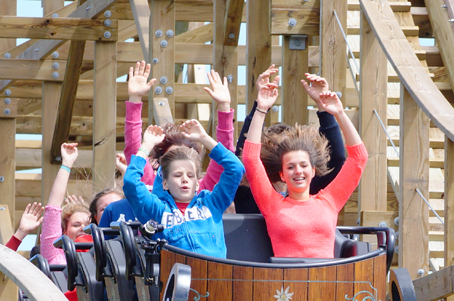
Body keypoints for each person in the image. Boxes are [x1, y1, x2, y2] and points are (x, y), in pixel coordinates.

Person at [243, 73, 368, 259]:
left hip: (324, 280)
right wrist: (261, 108)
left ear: (313, 171)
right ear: (282, 175)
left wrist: (339, 113)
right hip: (287, 284)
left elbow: (359, 158)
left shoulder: (329, 201)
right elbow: (251, 159)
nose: (298, 171)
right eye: (291, 167)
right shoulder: (272, 204)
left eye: (303, 165)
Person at [101, 64, 237, 226]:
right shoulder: (151, 187)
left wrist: (224, 107)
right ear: (161, 167)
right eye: (173, 159)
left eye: (186, 158)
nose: (183, 175)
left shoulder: (201, 190)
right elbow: (134, 149)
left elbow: (226, 161)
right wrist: (135, 99)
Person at [234, 66, 348, 213]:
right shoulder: (251, 189)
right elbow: (244, 158)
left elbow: (336, 161)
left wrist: (324, 108)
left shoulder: (307, 187)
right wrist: (260, 107)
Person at [123, 120, 244, 257]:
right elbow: (130, 182)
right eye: (177, 175)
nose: (185, 179)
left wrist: (204, 139)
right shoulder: (157, 210)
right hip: (177, 275)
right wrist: (146, 146)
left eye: (190, 175)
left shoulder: (212, 203)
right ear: (165, 183)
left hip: (215, 274)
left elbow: (236, 168)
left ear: (197, 183)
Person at [40, 142, 91, 266]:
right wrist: (67, 164)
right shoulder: (55, 253)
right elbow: (53, 209)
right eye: (76, 224)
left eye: (89, 225)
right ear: (64, 232)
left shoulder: (103, 255)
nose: (83, 228)